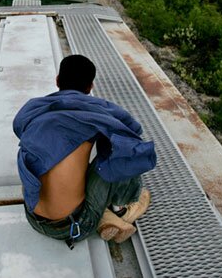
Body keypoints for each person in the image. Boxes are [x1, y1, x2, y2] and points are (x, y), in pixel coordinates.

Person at [13, 54, 157, 249]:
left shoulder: (35, 109)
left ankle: (104, 217)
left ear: (57, 81)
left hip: (32, 216)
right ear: (90, 87)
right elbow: (132, 132)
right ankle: (121, 210)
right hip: (74, 226)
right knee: (125, 151)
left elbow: (19, 127)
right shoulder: (96, 111)